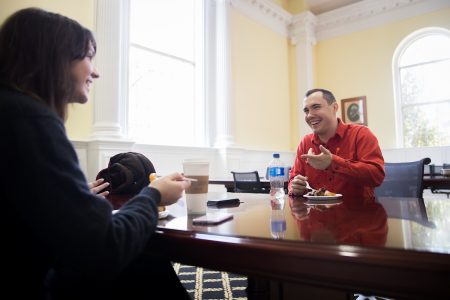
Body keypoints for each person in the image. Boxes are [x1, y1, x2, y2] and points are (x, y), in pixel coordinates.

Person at [0, 8, 191, 299]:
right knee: (142, 258)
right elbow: (104, 248)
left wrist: (70, 197)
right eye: (88, 56)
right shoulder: (32, 120)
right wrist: (153, 196)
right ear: (55, 59)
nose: (96, 71)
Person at [288, 88, 385, 201]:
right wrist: (295, 187)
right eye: (306, 111)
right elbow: (293, 179)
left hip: (359, 214)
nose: (309, 115)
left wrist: (332, 163)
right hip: (316, 215)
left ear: (334, 107)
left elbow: (377, 177)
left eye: (316, 107)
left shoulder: (361, 134)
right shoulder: (305, 143)